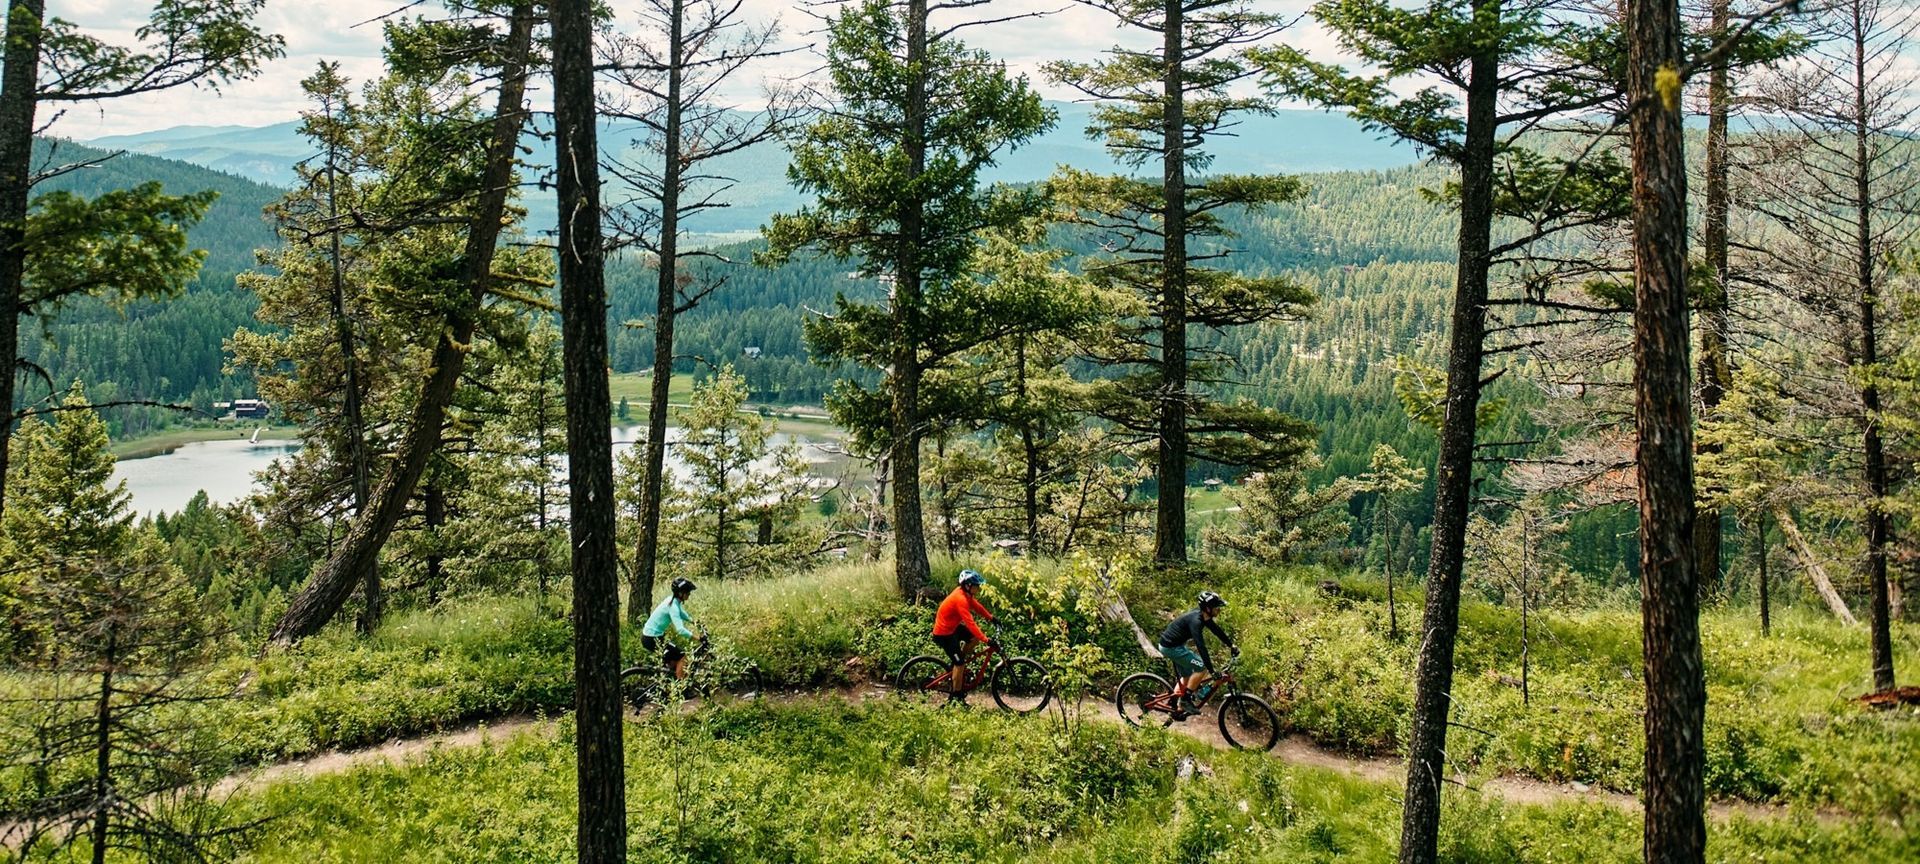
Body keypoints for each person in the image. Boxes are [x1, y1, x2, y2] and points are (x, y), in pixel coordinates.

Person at [1158, 590, 1237, 717]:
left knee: (1187, 677)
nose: (1219, 610)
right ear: (1208, 608)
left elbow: (1217, 631)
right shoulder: (1196, 621)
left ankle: (1175, 705)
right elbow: (1201, 647)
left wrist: (1231, 645)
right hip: (1170, 647)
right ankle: (1185, 700)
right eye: (1217, 607)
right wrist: (1211, 671)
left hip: (1175, 646)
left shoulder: (1204, 616)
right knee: (1201, 666)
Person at [932, 569, 995, 699]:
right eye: (976, 586)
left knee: (973, 640)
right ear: (968, 586)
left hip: (952, 629)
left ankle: (958, 662)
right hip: (943, 634)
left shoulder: (966, 594)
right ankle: (956, 697)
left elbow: (977, 606)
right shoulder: (960, 599)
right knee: (960, 664)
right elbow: (970, 623)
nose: (978, 588)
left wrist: (992, 618)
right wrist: (986, 640)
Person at [642, 577, 704, 679]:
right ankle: (680, 689)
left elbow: (684, 615)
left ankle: (668, 683)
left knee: (675, 660)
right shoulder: (673, 606)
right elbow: (680, 630)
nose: (689, 594)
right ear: (680, 593)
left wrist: (698, 624)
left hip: (653, 636)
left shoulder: (673, 601)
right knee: (683, 656)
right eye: (687, 592)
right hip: (652, 639)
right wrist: (698, 638)